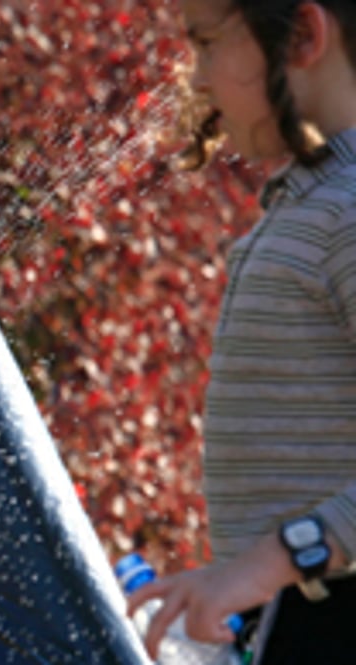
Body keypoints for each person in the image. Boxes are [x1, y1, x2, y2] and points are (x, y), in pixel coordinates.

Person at [127, 1, 356, 663]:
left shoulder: (346, 213)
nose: (194, 79)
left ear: (305, 35)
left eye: (205, 43)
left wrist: (274, 559)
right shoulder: (311, 206)